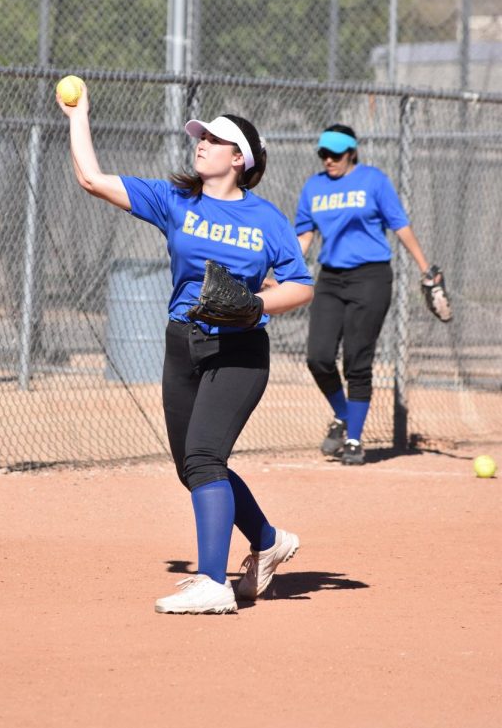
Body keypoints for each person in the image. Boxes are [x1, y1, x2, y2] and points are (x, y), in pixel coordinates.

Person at [57, 86, 314, 614]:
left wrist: (257, 305)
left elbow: (301, 285)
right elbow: (91, 179)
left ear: (238, 159)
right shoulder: (176, 199)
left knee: (203, 457)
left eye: (215, 140)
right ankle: (267, 542)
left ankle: (214, 583)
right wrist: (77, 115)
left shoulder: (266, 219)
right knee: (195, 464)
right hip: (183, 343)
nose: (201, 143)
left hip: (240, 349)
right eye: (201, 136)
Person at [295, 123, 439, 467]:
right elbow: (304, 236)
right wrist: (285, 272)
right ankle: (344, 415)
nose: (329, 159)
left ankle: (355, 440)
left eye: (336, 153)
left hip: (371, 277)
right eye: (323, 153)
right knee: (318, 356)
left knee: (358, 360)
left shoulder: (373, 180)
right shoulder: (314, 186)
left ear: (352, 152)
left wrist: (425, 269)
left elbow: (399, 225)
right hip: (330, 278)